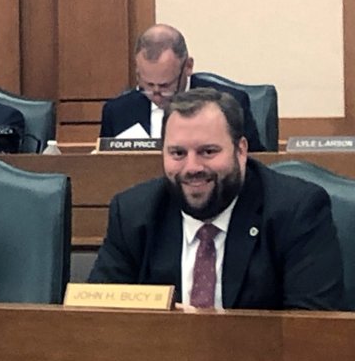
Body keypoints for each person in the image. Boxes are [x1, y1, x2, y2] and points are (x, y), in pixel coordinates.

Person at [89, 88, 342, 310]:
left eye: (208, 151)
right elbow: (96, 316)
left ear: (241, 150)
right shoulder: (133, 213)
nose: (192, 167)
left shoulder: (296, 210)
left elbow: (309, 328)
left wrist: (211, 336)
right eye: (178, 153)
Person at [99, 24, 265, 151]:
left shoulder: (230, 104)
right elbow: (105, 169)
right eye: (147, 85)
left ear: (188, 67)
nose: (156, 94)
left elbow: (257, 165)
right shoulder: (117, 112)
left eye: (165, 85)